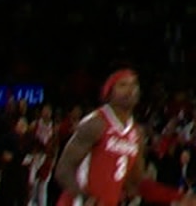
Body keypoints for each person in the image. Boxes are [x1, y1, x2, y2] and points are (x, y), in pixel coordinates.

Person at [54, 70, 186, 206]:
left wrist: (177, 197)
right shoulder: (96, 123)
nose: (130, 90)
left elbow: (135, 184)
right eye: (123, 85)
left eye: (134, 85)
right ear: (109, 92)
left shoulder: (137, 134)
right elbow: (63, 170)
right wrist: (83, 197)